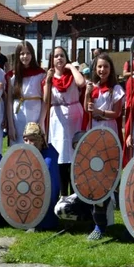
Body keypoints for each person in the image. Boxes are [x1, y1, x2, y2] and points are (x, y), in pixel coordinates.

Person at [53, 131, 114, 238]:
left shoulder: (100, 159)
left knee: (98, 197)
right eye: (76, 147)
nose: (80, 150)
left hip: (103, 197)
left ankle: (100, 226)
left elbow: (108, 182)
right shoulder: (77, 163)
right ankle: (87, 219)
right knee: (60, 208)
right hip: (84, 196)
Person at [44, 46, 86, 196]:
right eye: (56, 56)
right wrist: (48, 82)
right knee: (61, 156)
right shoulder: (49, 77)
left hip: (74, 115)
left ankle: (76, 193)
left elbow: (82, 83)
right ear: (51, 60)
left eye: (62, 56)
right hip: (58, 117)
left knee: (75, 154)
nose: (59, 59)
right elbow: (45, 99)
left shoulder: (72, 75)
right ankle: (63, 193)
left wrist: (71, 67)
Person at [21, 122, 60, 231]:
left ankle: (41, 222)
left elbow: (46, 185)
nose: (28, 143)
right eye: (26, 140)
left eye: (32, 140)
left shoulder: (49, 158)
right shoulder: (26, 154)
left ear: (41, 140)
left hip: (45, 203)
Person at [6, 41, 46, 145]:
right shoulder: (12, 76)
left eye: (28, 53)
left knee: (34, 144)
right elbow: (9, 101)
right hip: (18, 115)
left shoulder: (40, 74)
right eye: (22, 54)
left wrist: (41, 121)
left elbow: (45, 100)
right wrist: (10, 125)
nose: (25, 56)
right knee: (19, 145)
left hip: (35, 112)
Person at [84, 53, 124, 134]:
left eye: (106, 66)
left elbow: (116, 113)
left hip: (108, 126)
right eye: (99, 66)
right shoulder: (92, 85)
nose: (102, 70)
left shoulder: (116, 88)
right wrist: (87, 93)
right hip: (93, 125)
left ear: (110, 69)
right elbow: (86, 109)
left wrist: (99, 112)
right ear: (95, 68)